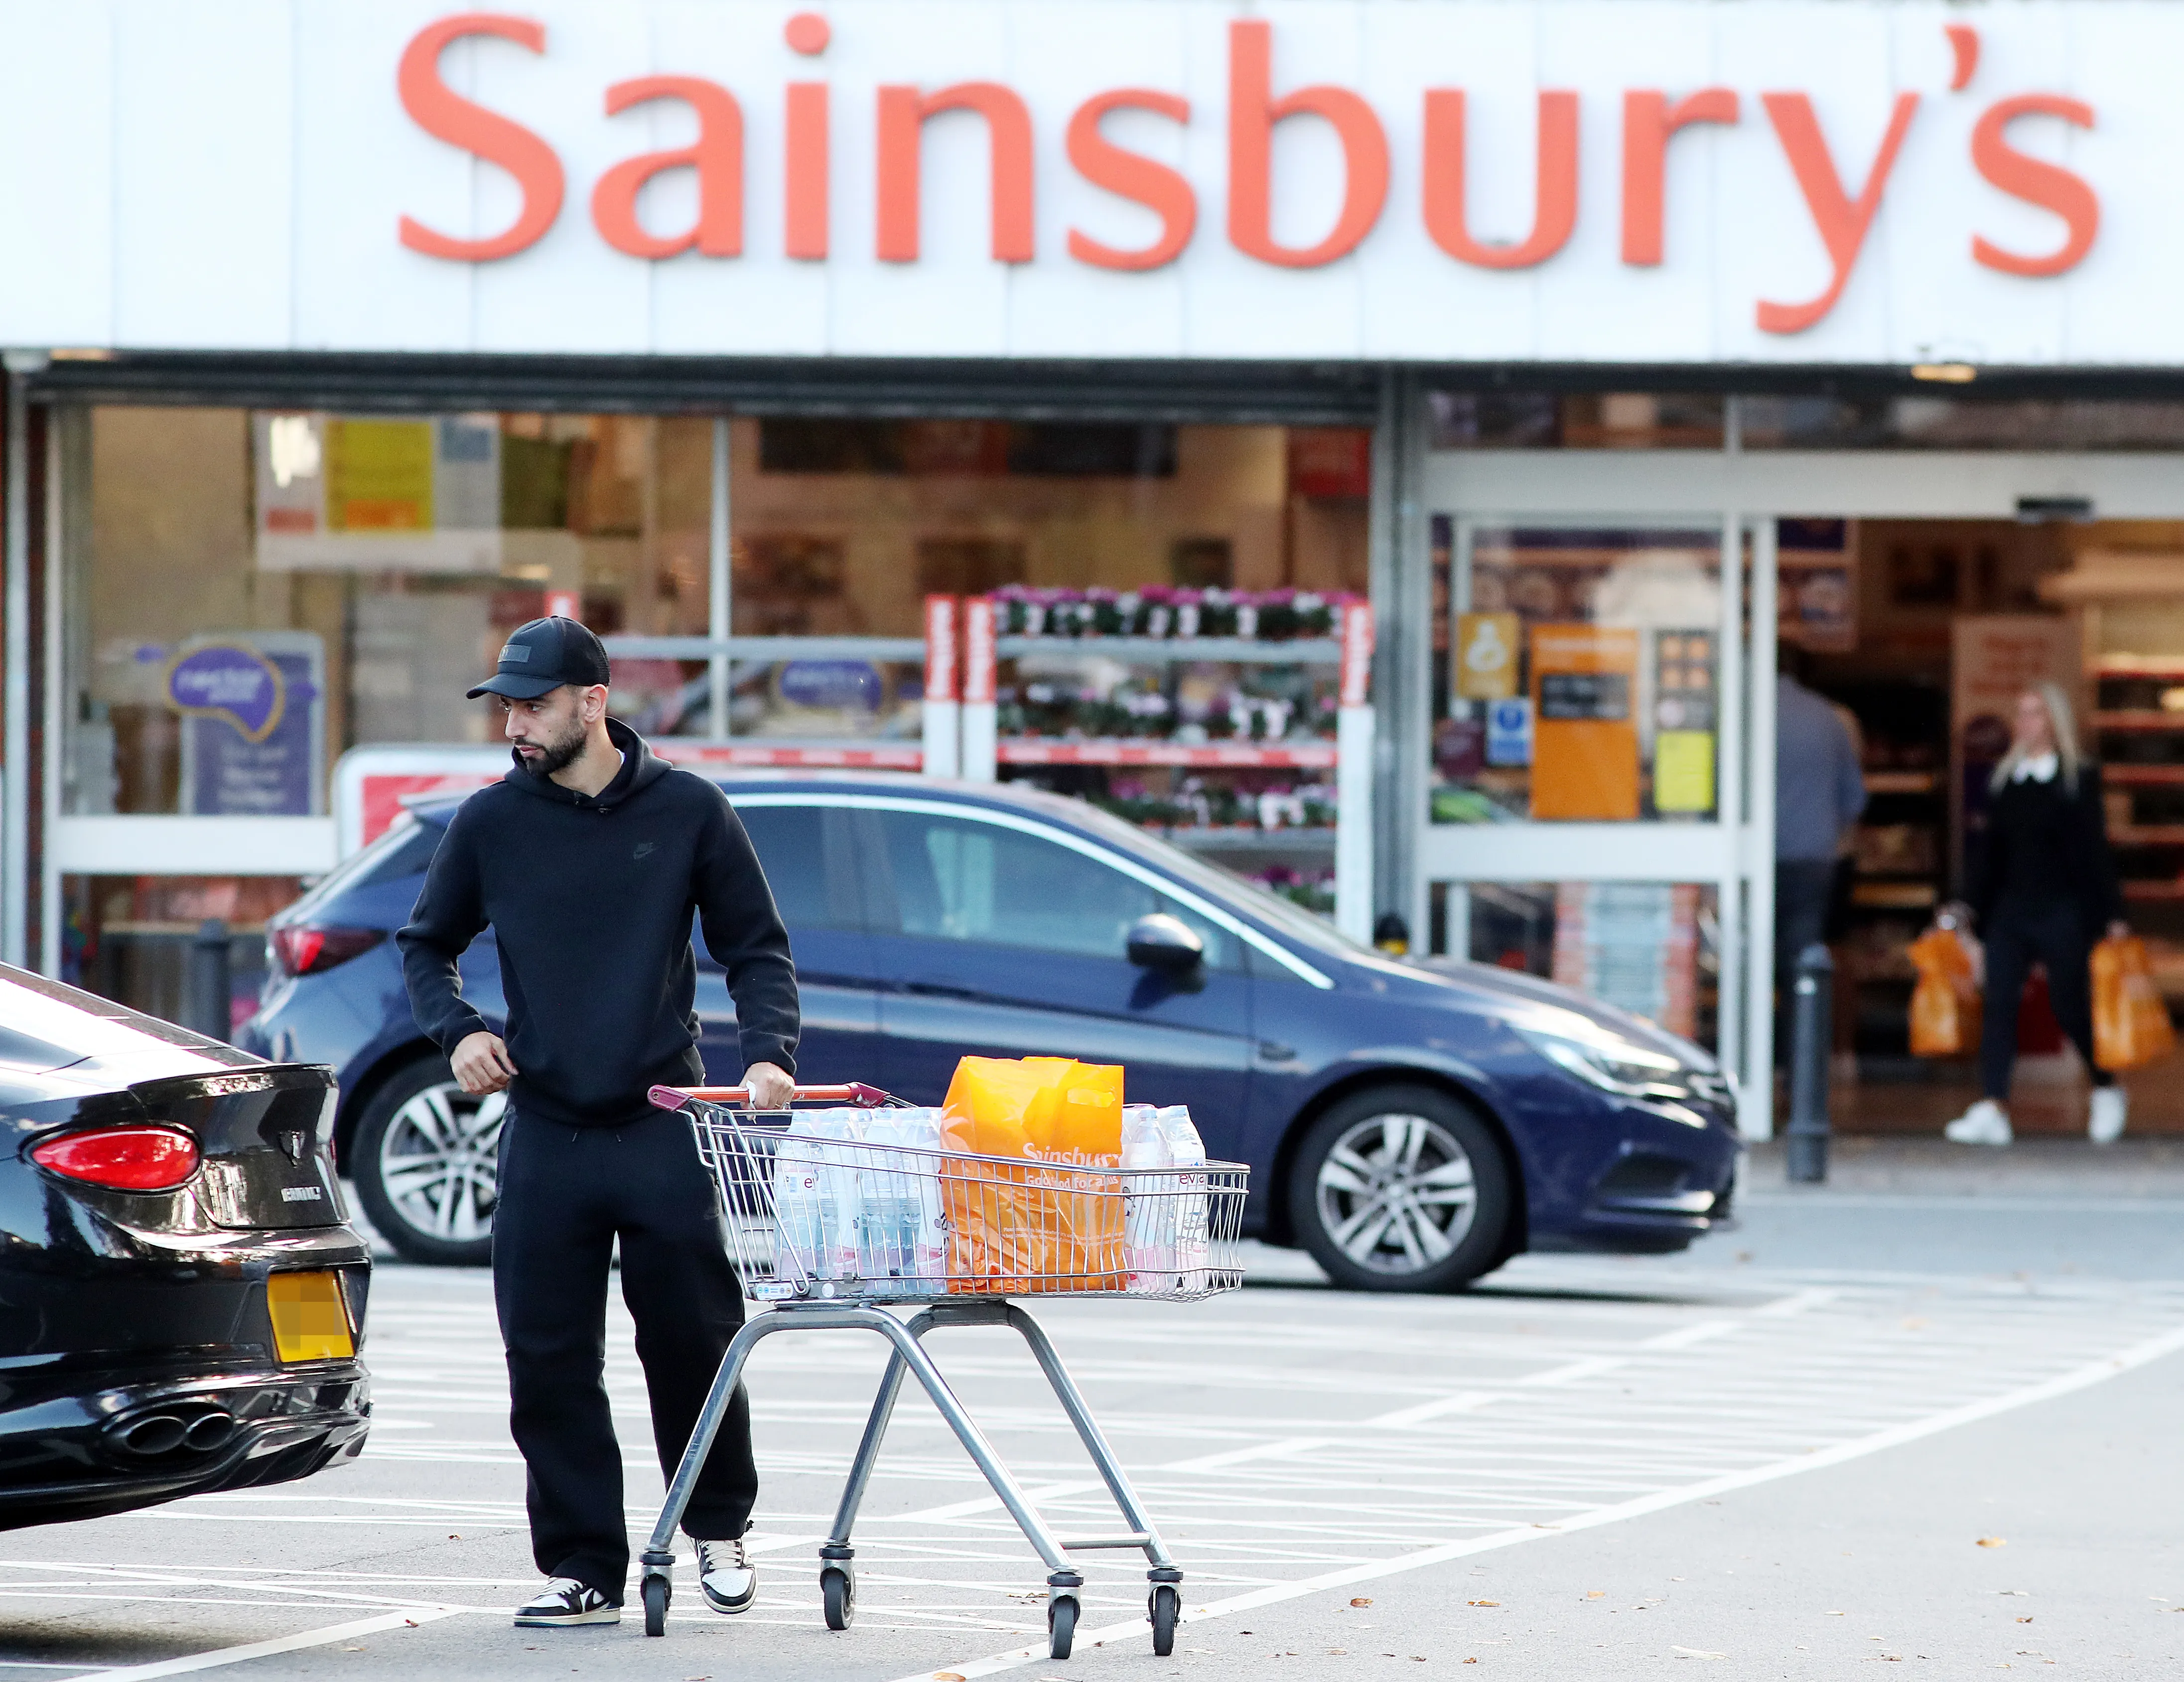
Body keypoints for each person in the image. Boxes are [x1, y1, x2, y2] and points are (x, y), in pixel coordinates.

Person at [397, 616, 801, 1628]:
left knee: (691, 1338)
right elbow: (425, 944)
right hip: (544, 1129)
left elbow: (757, 947)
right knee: (544, 1357)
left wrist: (767, 1055)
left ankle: (715, 1522)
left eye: (529, 705)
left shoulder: (691, 810)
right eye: (503, 707)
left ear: (592, 702)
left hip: (663, 1120)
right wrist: (456, 1032)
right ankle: (581, 1563)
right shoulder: (490, 823)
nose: (511, 726)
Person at [1945, 682, 2129, 1148]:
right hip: (2012, 909)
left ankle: (2106, 1086)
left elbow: (2094, 851)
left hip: (2063, 908)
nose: (2025, 723)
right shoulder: (2005, 780)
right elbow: (1988, 853)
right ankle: (1993, 1105)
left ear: (2055, 722)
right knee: (2000, 1003)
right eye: (2022, 714)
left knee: (2070, 1005)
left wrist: (2112, 913)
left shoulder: (2077, 778)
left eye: (2035, 714)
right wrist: (1966, 904)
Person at [1774, 646, 1867, 1045]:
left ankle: (1757, 1067)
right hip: (1814, 860)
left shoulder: (1741, 710)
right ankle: (1801, 1070)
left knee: (1752, 971)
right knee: (1804, 970)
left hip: (1755, 862)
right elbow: (1855, 799)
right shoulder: (1830, 718)